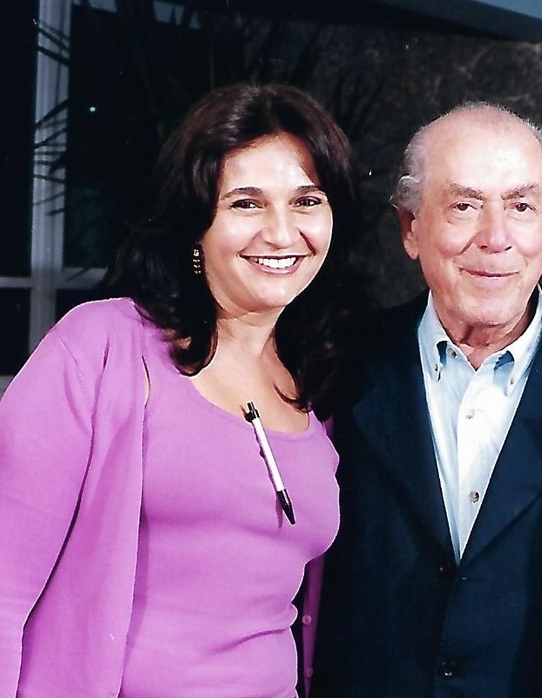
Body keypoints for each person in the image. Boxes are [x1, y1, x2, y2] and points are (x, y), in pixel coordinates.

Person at [0, 82, 358, 697]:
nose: (281, 232)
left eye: (306, 201)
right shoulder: (104, 348)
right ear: (195, 224)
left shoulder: (317, 386)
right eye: (246, 204)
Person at [310, 103, 542, 697]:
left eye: (521, 207)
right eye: (464, 206)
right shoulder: (336, 364)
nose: (495, 238)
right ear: (410, 228)